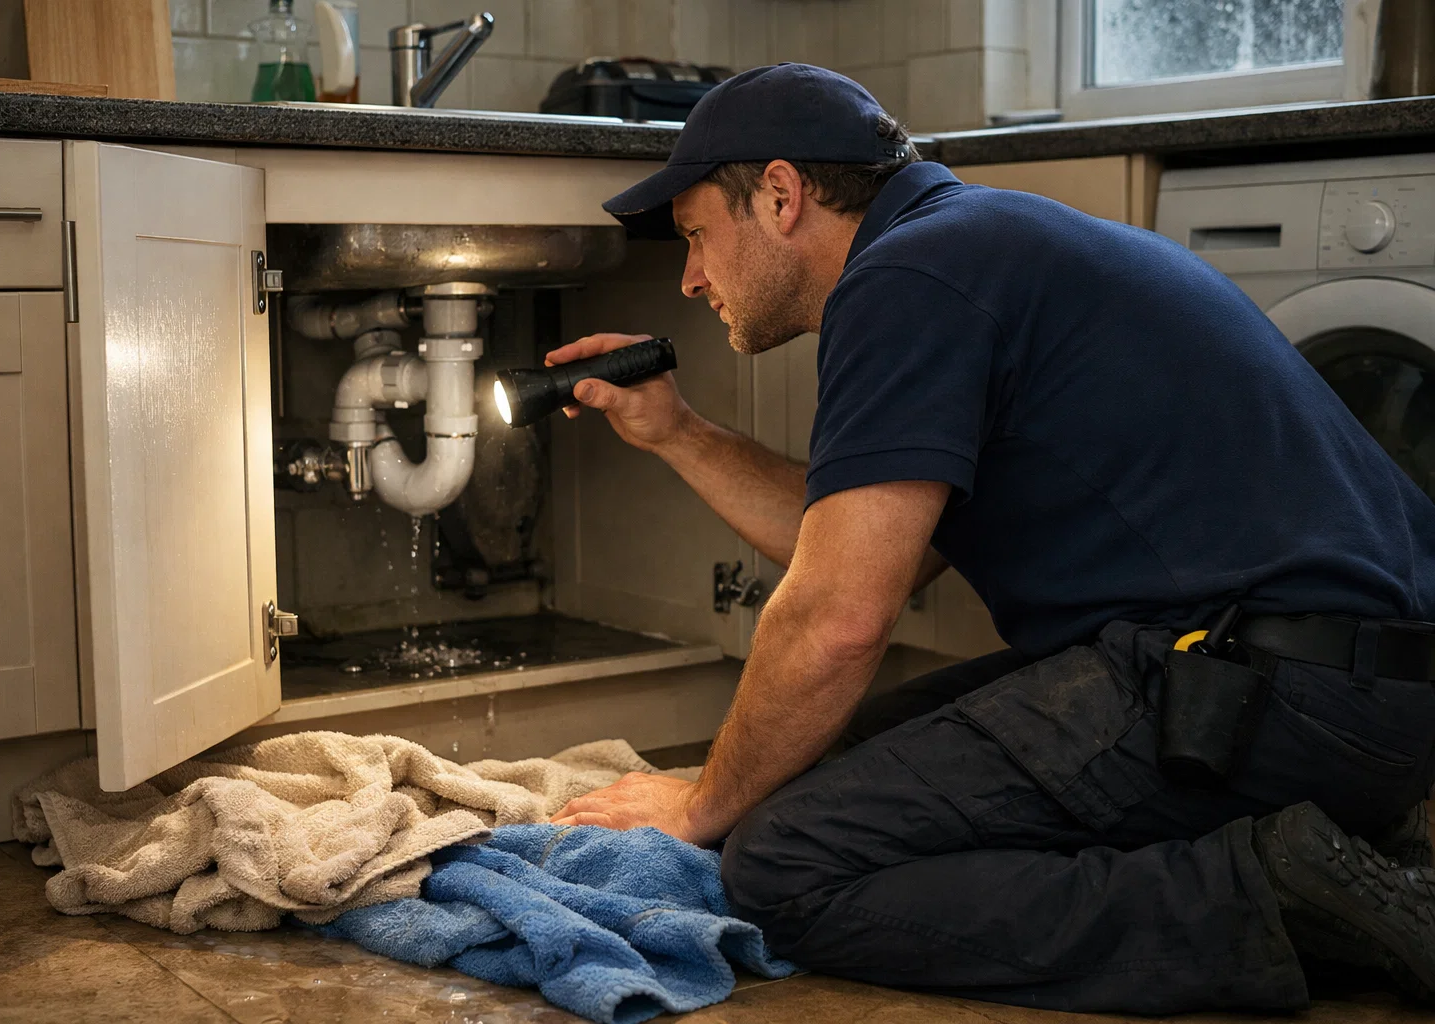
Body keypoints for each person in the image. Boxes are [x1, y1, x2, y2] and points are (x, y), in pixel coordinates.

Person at [547, 63, 1435, 1014]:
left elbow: (838, 616)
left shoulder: (909, 279)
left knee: (783, 861)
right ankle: (1348, 852)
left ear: (779, 194)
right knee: (795, 771)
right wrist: (678, 432)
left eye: (695, 236)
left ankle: (1277, 892)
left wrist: (699, 806)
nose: (688, 277)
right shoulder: (964, 247)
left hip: (1275, 689)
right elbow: (878, 546)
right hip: (1326, 682)